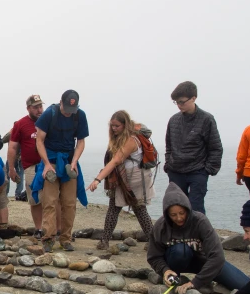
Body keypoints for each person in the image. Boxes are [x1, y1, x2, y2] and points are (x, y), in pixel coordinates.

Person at [147, 182, 250, 294]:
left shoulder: (200, 221)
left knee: (247, 287)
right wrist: (165, 270)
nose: (179, 218)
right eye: (173, 215)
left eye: (182, 213)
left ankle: (209, 280)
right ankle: (175, 279)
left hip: (203, 262)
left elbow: (217, 256)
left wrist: (196, 282)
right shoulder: (161, 226)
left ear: (187, 209)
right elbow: (154, 256)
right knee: (180, 250)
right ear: (167, 214)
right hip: (177, 260)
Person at [87, 111, 155, 249]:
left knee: (139, 209)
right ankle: (105, 241)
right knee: (115, 208)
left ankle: (154, 242)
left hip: (135, 178)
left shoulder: (131, 140)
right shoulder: (120, 138)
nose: (113, 129)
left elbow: (115, 161)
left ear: (125, 125)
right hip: (123, 177)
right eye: (112, 126)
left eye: (117, 126)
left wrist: (97, 179)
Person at [34, 90, 90, 252]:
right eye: (66, 109)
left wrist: (74, 162)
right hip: (50, 158)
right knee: (50, 201)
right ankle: (48, 238)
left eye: (72, 110)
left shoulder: (80, 116)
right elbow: (39, 140)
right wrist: (46, 164)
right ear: (61, 103)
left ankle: (65, 238)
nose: (68, 113)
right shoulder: (49, 114)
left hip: (68, 161)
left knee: (69, 203)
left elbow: (80, 142)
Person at [165, 81, 223, 214]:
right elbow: (169, 146)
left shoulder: (207, 119)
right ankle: (179, 235)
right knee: (177, 207)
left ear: (193, 98)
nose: (179, 105)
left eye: (181, 102)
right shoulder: (173, 120)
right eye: (176, 102)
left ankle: (198, 234)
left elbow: (215, 147)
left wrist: (208, 170)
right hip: (176, 171)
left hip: (197, 172)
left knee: (196, 208)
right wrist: (168, 165)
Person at [8, 95, 53, 237]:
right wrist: (11, 168)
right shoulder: (20, 124)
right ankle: (39, 229)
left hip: (50, 165)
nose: (39, 110)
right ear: (28, 108)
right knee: (35, 200)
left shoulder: (50, 121)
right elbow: (13, 147)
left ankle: (54, 229)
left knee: (52, 199)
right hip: (31, 167)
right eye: (36, 107)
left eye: (41, 106)